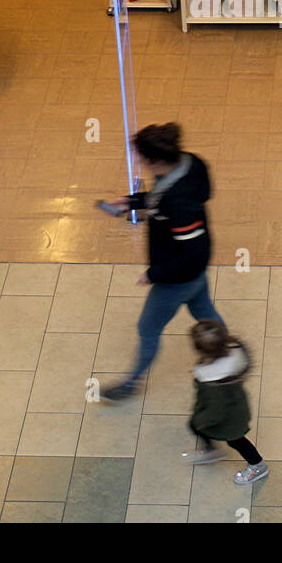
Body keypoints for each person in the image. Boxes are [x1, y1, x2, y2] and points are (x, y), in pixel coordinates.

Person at [96, 123, 223, 402]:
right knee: (204, 310)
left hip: (178, 279)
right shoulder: (190, 163)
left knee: (148, 328)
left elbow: (193, 252)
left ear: (155, 161)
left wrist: (154, 274)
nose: (139, 163)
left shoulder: (179, 205)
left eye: (141, 158)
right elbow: (163, 198)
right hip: (194, 275)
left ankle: (131, 383)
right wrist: (131, 201)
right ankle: (227, 351)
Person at [183, 320, 268, 485]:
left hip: (228, 419)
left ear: (200, 350)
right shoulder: (234, 355)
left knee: (234, 439)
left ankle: (257, 465)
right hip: (236, 405)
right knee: (230, 437)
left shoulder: (211, 380)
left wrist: (201, 422)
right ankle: (211, 450)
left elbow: (216, 410)